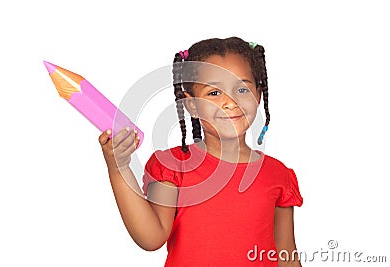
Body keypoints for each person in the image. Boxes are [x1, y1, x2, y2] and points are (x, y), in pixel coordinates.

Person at [99, 37, 303, 266]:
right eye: (214, 93)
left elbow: (286, 255)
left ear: (258, 95)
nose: (229, 102)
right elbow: (151, 237)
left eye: (242, 89)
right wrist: (119, 168)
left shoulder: (278, 174)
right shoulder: (172, 166)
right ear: (192, 104)